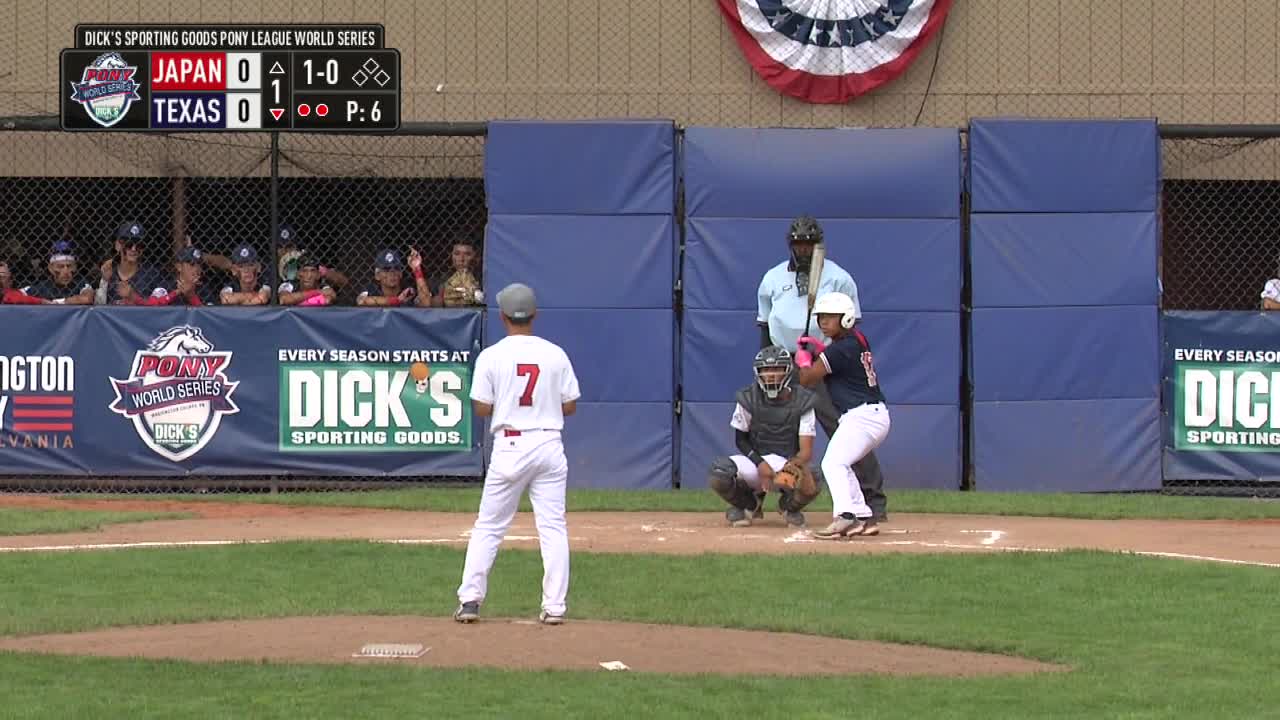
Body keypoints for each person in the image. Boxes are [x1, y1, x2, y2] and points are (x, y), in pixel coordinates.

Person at [455, 283, 581, 626]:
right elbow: (569, 405)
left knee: (489, 527)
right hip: (549, 444)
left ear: (502, 315)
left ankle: (470, 601)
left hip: (511, 446)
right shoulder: (555, 353)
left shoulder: (492, 356)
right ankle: (555, 607)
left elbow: (482, 408)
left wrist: (507, 401)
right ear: (534, 315)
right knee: (553, 527)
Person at [756, 215, 890, 522]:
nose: (803, 249)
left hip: (822, 361)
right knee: (773, 430)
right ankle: (760, 499)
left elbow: (848, 325)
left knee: (844, 431)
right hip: (781, 362)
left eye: (809, 244)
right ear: (790, 245)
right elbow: (764, 324)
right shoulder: (773, 278)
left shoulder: (839, 278)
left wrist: (816, 354)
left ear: (818, 245)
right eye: (798, 244)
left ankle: (873, 499)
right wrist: (768, 362)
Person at [794, 292, 889, 539]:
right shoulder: (857, 339)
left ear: (845, 318)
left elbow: (807, 379)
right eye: (822, 317)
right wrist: (821, 350)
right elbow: (838, 356)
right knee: (842, 464)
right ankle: (862, 517)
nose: (824, 322)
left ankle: (844, 516)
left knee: (832, 463)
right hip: (870, 415)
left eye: (830, 317)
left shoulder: (840, 350)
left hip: (863, 416)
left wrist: (804, 360)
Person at [708, 345, 821, 529]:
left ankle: (789, 507)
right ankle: (749, 504)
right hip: (755, 461)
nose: (770, 374)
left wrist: (791, 468)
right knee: (719, 472)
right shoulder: (748, 397)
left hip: (786, 462)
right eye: (765, 370)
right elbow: (740, 440)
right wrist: (760, 464)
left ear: (787, 371)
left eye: (776, 369)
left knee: (814, 476)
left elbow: (806, 451)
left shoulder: (803, 401)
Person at [122, 247, 217, 306]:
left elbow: (209, 318)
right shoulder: (166, 285)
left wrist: (192, 296)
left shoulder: (205, 289)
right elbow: (152, 306)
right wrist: (176, 292)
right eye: (191, 264)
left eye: (199, 265)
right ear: (179, 267)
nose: (196, 269)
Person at [97, 222, 163, 305]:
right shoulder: (108, 271)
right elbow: (97, 307)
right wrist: (104, 281)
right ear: (118, 245)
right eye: (129, 244)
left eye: (139, 244)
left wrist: (133, 297)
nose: (134, 249)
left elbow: (161, 309)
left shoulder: (152, 274)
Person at [23, 240, 95, 305]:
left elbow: (87, 298)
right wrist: (39, 301)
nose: (65, 271)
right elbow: (17, 295)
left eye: (69, 266)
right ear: (51, 268)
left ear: (75, 267)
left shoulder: (80, 283)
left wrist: (56, 302)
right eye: (60, 266)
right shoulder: (43, 286)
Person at [357, 248, 433, 307]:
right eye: (386, 269)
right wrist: (397, 300)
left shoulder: (409, 288)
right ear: (377, 275)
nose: (392, 273)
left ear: (401, 273)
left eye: (396, 268)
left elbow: (426, 304)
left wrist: (417, 269)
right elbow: (361, 301)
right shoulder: (371, 288)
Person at [433, 240, 484, 308]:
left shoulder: (484, 279)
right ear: (451, 256)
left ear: (477, 258)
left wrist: (474, 294)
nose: (461, 259)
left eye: (467, 254)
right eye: (457, 254)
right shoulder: (442, 279)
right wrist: (442, 297)